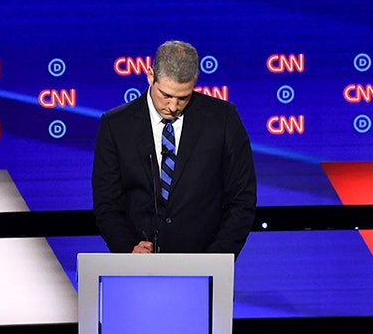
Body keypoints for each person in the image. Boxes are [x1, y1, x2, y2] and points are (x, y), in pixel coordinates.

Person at [92, 40, 257, 257]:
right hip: (139, 267)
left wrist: (217, 259)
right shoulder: (116, 125)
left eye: (183, 98)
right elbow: (107, 203)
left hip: (205, 266)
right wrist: (128, 248)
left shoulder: (222, 119)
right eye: (166, 95)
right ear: (150, 75)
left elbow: (242, 199)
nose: (173, 106)